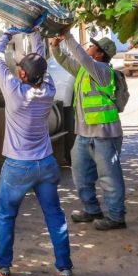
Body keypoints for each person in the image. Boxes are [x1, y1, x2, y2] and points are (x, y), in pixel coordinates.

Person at [0, 29, 73, 276]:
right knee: (55, 216)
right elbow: (40, 61)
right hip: (46, 164)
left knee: (6, 215)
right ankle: (64, 268)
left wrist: (7, 34)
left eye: (20, 68)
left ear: (23, 74)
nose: (17, 70)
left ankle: (2, 267)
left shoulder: (15, 92)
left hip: (18, 167)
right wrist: (35, 33)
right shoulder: (47, 89)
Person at [51, 32, 127, 231]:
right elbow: (63, 60)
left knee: (109, 177)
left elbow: (81, 57)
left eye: (92, 46)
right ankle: (92, 209)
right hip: (84, 135)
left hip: (104, 134)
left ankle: (116, 216)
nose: (88, 48)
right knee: (81, 175)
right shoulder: (85, 71)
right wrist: (55, 46)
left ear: (100, 54)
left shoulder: (101, 70)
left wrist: (67, 36)